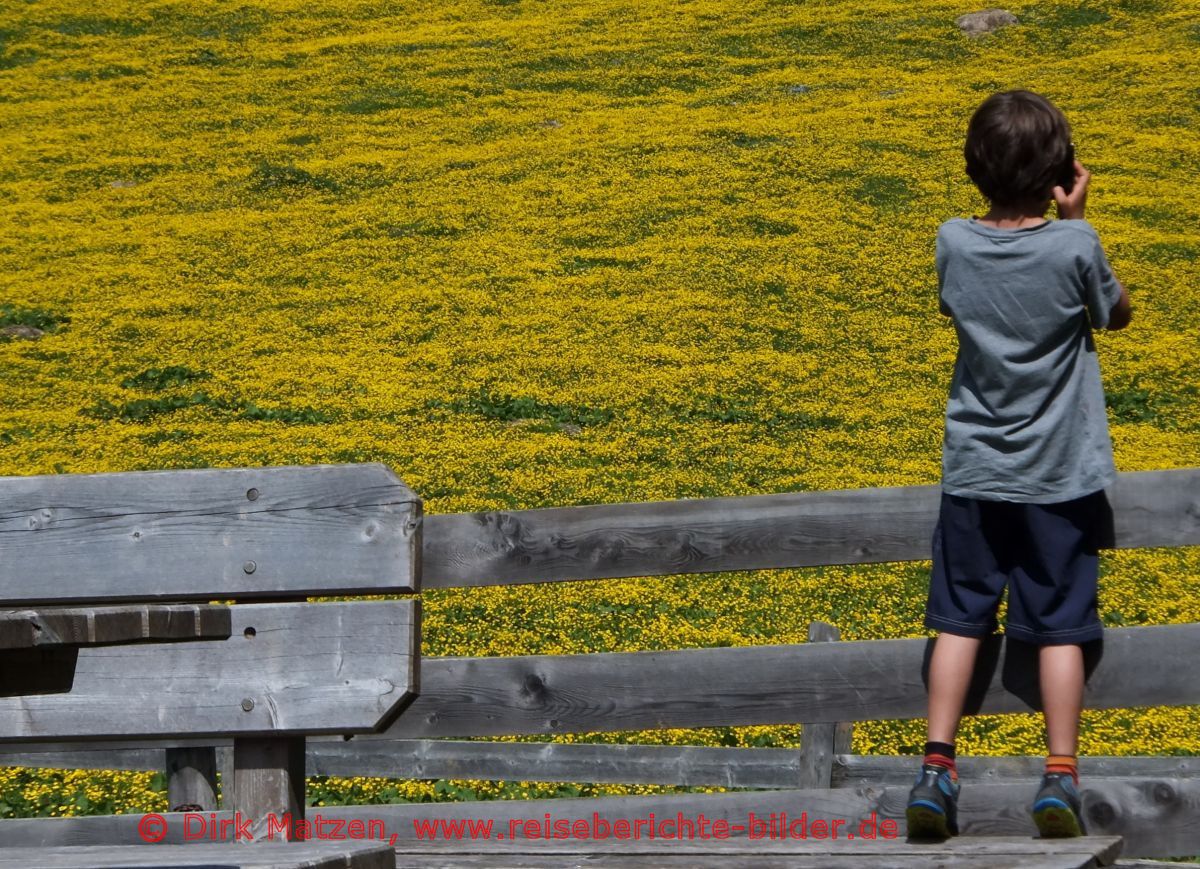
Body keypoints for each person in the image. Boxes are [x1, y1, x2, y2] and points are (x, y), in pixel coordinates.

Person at [905, 90, 1132, 840]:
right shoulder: (1074, 246)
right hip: (1059, 478)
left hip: (975, 470)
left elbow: (953, 305)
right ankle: (1060, 774)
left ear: (975, 167)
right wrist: (1077, 220)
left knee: (958, 619)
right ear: (1060, 169)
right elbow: (1115, 312)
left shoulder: (952, 239)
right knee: (1062, 626)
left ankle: (936, 768)